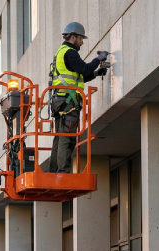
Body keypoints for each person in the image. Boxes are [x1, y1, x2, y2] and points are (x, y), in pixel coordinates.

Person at [48, 22, 109, 174]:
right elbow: (84, 68)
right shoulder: (70, 52)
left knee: (60, 137)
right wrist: (98, 59)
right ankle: (63, 172)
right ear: (73, 37)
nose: (82, 42)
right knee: (67, 137)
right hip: (68, 101)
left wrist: (96, 73)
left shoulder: (61, 52)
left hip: (60, 99)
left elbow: (79, 77)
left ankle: (54, 171)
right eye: (81, 39)